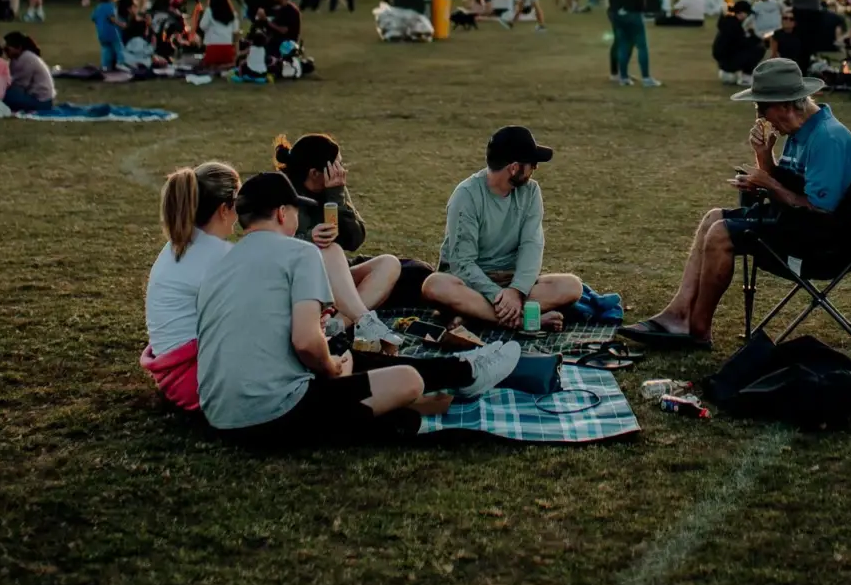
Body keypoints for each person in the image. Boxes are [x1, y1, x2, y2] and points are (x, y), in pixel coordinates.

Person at [196, 172, 521, 443]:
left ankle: (462, 372)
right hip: (274, 414)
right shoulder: (299, 253)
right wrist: (331, 368)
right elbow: (306, 342)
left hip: (218, 415)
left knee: (351, 357)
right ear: (283, 213)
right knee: (405, 380)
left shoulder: (220, 265)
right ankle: (466, 373)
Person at [619, 59, 851, 349]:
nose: (760, 115)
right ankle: (679, 312)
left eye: (762, 107)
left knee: (721, 234)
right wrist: (764, 156)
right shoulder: (802, 131)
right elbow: (791, 186)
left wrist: (768, 183)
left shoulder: (827, 138)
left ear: (786, 105)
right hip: (797, 224)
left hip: (823, 243)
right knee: (713, 218)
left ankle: (697, 329)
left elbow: (819, 211)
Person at [420, 127, 584, 331]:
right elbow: (462, 263)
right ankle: (525, 320)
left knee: (571, 286)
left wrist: (516, 290)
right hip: (471, 283)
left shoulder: (531, 192)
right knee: (435, 285)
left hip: (511, 281)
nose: (534, 169)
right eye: (532, 164)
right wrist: (498, 295)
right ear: (514, 168)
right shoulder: (466, 196)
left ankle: (477, 316)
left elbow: (532, 245)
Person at [275, 133, 408, 342]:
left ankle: (334, 326)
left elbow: (355, 239)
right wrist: (309, 239)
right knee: (330, 248)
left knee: (389, 263)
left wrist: (336, 197)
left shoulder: (332, 189)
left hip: (334, 280)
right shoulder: (280, 192)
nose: (342, 170)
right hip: (295, 283)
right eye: (337, 165)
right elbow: (273, 246)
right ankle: (363, 320)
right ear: (315, 173)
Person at [142, 162, 241, 410]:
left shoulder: (179, 246)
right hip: (197, 379)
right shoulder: (219, 255)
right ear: (224, 209)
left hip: (174, 376)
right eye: (238, 202)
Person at [1, 30, 57, 113]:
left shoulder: (27, 58)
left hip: (41, 101)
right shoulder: (16, 59)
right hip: (35, 98)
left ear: (19, 47)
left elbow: (20, 84)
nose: (5, 53)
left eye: (7, 49)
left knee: (6, 95)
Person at [714, 0, 766, 84]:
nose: (748, 16)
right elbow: (742, 43)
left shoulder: (729, 23)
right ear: (741, 13)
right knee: (759, 49)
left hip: (724, 64)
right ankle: (746, 78)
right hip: (728, 64)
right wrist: (755, 37)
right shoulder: (734, 26)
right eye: (747, 14)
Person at [198, 0, 239, 70]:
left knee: (207, 64)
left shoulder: (209, 11)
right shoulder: (233, 14)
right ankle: (223, 66)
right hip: (227, 49)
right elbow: (235, 31)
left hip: (213, 48)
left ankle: (215, 66)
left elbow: (202, 26)